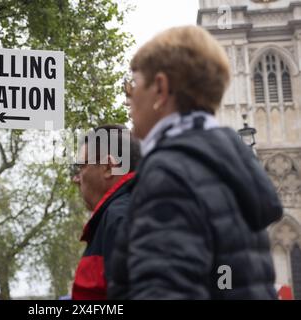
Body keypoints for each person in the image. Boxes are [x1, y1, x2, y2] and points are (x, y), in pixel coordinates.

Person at [109, 26, 283, 300]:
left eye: (132, 84)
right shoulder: (231, 167)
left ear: (161, 89)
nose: (128, 98)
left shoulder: (169, 173)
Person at [71, 124, 141, 300]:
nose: (76, 179)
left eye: (81, 166)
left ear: (108, 167)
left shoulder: (121, 218)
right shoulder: (123, 213)